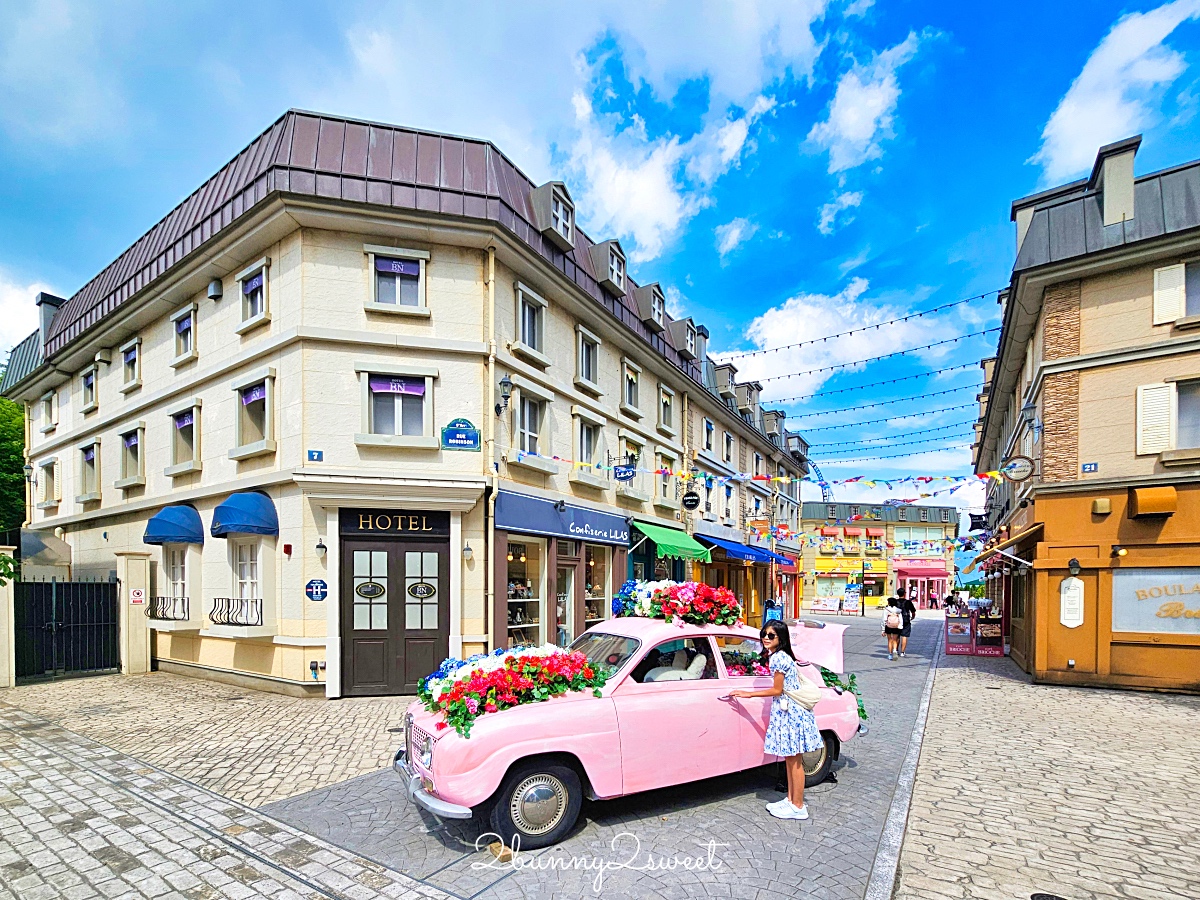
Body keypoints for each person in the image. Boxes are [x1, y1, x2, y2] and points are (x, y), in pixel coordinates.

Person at [728, 621, 823, 821]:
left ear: (781, 638)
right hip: (790, 712)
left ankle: (798, 805)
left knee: (795, 761)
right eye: (765, 634)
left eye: (772, 636)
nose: (766, 638)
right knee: (791, 759)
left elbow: (777, 690)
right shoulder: (782, 656)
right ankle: (791, 800)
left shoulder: (778, 657)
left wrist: (748, 694)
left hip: (790, 713)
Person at [882, 593, 904, 660]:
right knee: (895, 640)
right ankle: (895, 650)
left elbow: (884, 619)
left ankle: (890, 654)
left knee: (889, 640)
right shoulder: (898, 610)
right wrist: (900, 625)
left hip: (888, 626)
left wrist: (883, 629)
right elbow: (901, 619)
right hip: (896, 626)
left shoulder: (886, 610)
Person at [898, 590, 918, 657]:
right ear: (904, 593)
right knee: (904, 636)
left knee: (897, 636)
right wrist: (912, 617)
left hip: (897, 620)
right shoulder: (908, 602)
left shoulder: (895, 601)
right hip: (906, 620)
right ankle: (902, 652)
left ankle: (896, 650)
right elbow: (913, 611)